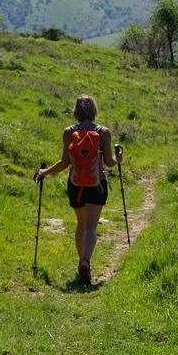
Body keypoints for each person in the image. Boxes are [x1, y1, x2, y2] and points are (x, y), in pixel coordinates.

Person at [36, 94, 122, 284]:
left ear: (76, 110)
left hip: (76, 185)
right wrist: (119, 160)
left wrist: (44, 172)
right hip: (97, 185)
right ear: (94, 110)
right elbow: (108, 163)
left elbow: (64, 163)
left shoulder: (69, 132)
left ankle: (80, 261)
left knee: (80, 224)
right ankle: (86, 262)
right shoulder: (103, 132)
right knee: (91, 227)